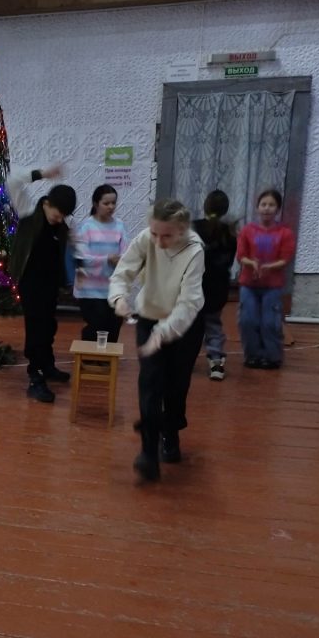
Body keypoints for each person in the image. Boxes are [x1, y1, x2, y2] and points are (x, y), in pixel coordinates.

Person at [109, 198, 205, 485]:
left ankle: (170, 432)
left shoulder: (194, 250)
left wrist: (163, 335)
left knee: (176, 385)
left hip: (184, 324)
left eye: (166, 236)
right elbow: (123, 271)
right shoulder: (146, 238)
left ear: (182, 230)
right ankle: (148, 454)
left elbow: (188, 303)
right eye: (154, 234)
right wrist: (119, 298)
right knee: (150, 383)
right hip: (150, 317)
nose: (159, 242)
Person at [7, 165, 77, 404]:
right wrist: (42, 174)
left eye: (64, 215)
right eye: (58, 212)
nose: (59, 218)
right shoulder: (28, 212)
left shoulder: (61, 227)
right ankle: (35, 378)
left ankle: (47, 366)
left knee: (49, 326)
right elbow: (12, 181)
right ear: (47, 203)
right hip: (31, 284)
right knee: (36, 329)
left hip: (50, 284)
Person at [236, 188, 296, 370]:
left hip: (272, 286)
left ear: (277, 209)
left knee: (270, 322)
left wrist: (267, 267)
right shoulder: (247, 230)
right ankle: (252, 355)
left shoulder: (285, 232)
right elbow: (241, 255)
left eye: (271, 205)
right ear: (257, 207)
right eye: (263, 204)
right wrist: (251, 264)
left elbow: (285, 259)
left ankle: (272, 357)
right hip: (249, 284)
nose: (267, 208)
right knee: (248, 321)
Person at [191, 190, 237, 381]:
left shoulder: (194, 227)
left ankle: (186, 359)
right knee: (213, 324)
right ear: (225, 209)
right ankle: (216, 360)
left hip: (195, 286)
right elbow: (229, 262)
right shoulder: (230, 232)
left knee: (191, 325)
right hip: (218, 287)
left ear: (205, 206)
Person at [73, 184, 127, 343]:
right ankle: (89, 356)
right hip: (89, 291)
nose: (111, 207)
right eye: (106, 203)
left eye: (113, 203)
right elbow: (82, 258)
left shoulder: (120, 225)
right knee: (96, 327)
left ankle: (108, 357)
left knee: (114, 327)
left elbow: (126, 253)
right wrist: (106, 259)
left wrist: (122, 260)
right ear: (96, 204)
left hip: (113, 290)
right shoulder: (86, 227)